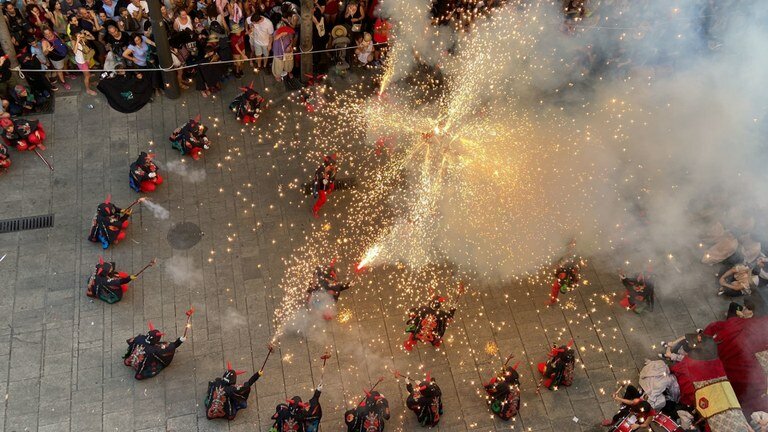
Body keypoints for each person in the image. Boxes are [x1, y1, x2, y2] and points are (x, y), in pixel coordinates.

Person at [271, 12, 296, 82]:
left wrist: (290, 46)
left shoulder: (289, 32)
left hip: (288, 51)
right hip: (278, 52)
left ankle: (289, 72)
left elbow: (292, 40)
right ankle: (277, 75)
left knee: (289, 63)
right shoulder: (276, 32)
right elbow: (275, 38)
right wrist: (281, 33)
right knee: (278, 64)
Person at [73, 31, 98, 95]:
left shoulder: (83, 39)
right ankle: (88, 90)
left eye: (81, 34)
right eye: (80, 34)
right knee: (87, 76)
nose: (82, 35)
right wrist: (77, 41)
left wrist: (89, 33)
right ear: (76, 37)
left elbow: (93, 38)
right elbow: (74, 51)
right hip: (82, 62)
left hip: (85, 60)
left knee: (87, 73)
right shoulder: (75, 42)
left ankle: (89, 82)